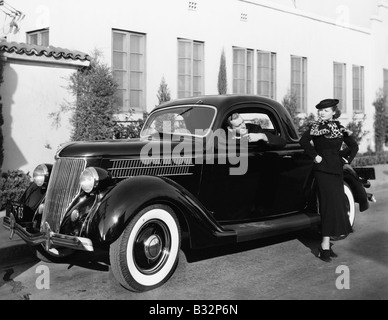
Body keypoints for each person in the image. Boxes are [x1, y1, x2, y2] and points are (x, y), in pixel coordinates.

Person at [299, 99, 359, 262]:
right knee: (326, 206)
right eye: (320, 110)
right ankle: (325, 245)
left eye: (325, 110)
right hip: (322, 171)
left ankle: (326, 244)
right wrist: (315, 156)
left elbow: (354, 146)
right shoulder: (315, 127)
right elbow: (303, 142)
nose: (322, 113)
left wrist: (345, 160)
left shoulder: (340, 128)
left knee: (336, 206)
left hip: (336, 171)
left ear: (333, 112)